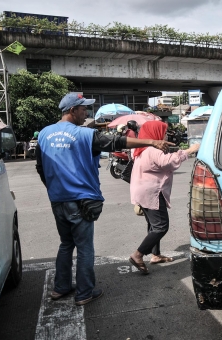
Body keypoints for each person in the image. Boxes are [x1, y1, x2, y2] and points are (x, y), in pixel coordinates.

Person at [36, 93, 173, 306]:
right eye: (83, 109)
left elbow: (40, 167)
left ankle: (60, 288)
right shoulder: (83, 135)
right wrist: (151, 141)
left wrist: (53, 189)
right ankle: (84, 293)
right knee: (84, 247)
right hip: (81, 200)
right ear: (72, 110)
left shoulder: (44, 134)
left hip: (58, 199)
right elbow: (116, 142)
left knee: (66, 244)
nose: (86, 113)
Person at [128, 121, 200, 274]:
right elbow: (169, 162)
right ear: (155, 133)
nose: (166, 135)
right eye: (164, 132)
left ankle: (155, 255)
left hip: (143, 191)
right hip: (151, 192)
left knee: (153, 225)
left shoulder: (142, 149)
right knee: (161, 226)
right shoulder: (152, 151)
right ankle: (138, 255)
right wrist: (190, 150)